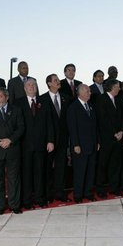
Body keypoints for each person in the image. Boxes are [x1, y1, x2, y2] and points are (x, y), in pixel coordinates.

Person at [0, 87, 24, 214]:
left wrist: (10, 140)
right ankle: (0, 206)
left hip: (12, 149)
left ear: (7, 97)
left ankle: (14, 205)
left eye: (0, 96)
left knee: (14, 179)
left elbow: (21, 128)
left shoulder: (16, 110)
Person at [14, 79, 54, 209]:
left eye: (34, 85)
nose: (32, 87)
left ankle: (39, 198)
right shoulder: (18, 103)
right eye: (29, 85)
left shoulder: (44, 102)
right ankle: (26, 201)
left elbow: (49, 123)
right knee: (26, 174)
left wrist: (50, 140)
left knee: (40, 173)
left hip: (41, 145)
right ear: (24, 88)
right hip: (24, 146)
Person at [39, 74, 71, 202]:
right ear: (49, 83)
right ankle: (47, 194)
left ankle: (60, 192)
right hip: (48, 142)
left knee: (61, 167)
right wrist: (48, 140)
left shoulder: (66, 98)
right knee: (47, 168)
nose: (58, 82)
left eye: (58, 80)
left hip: (63, 140)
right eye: (55, 80)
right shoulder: (42, 99)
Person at [67, 84, 99, 203]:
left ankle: (88, 193)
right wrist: (76, 144)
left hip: (92, 144)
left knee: (91, 170)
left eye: (89, 91)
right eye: (87, 91)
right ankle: (78, 195)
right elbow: (72, 128)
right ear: (80, 93)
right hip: (80, 146)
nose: (90, 93)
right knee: (80, 172)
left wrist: (97, 141)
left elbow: (95, 126)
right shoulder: (73, 108)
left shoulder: (90, 106)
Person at [95, 79, 123, 198]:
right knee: (102, 165)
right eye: (118, 86)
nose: (119, 88)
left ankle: (114, 188)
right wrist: (114, 133)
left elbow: (121, 117)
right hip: (106, 139)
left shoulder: (117, 100)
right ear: (112, 87)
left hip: (117, 138)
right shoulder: (101, 99)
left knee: (115, 165)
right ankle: (100, 189)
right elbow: (103, 120)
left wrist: (121, 131)